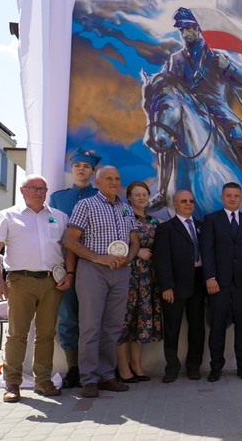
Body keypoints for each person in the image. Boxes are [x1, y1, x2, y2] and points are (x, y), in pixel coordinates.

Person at [149, 7, 242, 208]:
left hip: (216, 108)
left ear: (198, 29)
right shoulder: (176, 60)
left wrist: (228, 67)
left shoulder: (216, 57)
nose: (185, 33)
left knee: (238, 130)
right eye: (181, 30)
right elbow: (168, 86)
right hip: (186, 110)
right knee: (165, 134)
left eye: (188, 29)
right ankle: (162, 191)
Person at [0, 175, 75, 402]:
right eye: (33, 188)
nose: (38, 192)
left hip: (51, 282)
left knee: (46, 333)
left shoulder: (60, 217)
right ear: (22, 190)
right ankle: (12, 383)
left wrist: (70, 273)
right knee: (17, 334)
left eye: (42, 188)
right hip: (20, 281)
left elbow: (68, 248)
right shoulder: (7, 215)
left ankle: (43, 381)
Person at [63, 166, 140, 398]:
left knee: (113, 327)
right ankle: (89, 379)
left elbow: (135, 241)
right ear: (97, 182)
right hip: (93, 271)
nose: (114, 182)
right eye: (108, 178)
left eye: (117, 178)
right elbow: (69, 240)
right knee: (90, 327)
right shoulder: (86, 205)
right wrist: (99, 258)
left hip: (121, 272)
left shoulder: (126, 208)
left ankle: (107, 376)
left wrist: (129, 259)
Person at [48, 147, 101, 389]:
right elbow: (52, 231)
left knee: (94, 318)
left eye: (86, 166)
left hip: (93, 265)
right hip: (64, 267)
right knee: (68, 317)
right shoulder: (57, 199)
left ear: (93, 172)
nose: (81, 169)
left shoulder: (100, 197)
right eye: (77, 165)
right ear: (71, 169)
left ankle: (96, 367)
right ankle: (74, 368)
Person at [200, 182, 242, 382]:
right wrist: (210, 277)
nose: (233, 199)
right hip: (218, 283)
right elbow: (207, 251)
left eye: (236, 196)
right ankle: (215, 368)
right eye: (229, 195)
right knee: (217, 326)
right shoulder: (211, 220)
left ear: (241, 198)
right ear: (222, 198)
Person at [153, 190, 207, 383]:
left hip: (198, 283)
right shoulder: (166, 228)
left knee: (197, 328)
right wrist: (167, 286)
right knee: (172, 328)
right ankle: (172, 368)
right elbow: (161, 260)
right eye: (183, 201)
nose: (188, 204)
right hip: (175, 285)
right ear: (175, 204)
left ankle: (194, 367)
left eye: (191, 201)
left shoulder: (201, 227)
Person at [115, 181, 162, 383]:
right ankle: (122, 367)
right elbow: (114, 244)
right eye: (137, 194)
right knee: (124, 322)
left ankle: (136, 364)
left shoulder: (154, 222)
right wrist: (136, 252)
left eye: (145, 194)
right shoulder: (123, 218)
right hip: (128, 276)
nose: (142, 198)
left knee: (141, 322)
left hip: (148, 278)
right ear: (129, 197)